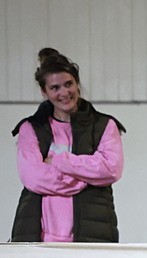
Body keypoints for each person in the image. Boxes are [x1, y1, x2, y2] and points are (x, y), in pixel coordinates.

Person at [11, 48, 125, 243]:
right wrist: (84, 178)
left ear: (77, 84)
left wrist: (59, 161)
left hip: (92, 236)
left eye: (68, 84)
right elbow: (33, 177)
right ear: (44, 92)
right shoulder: (30, 128)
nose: (64, 92)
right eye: (55, 88)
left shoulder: (105, 125)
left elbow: (111, 169)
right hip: (38, 239)